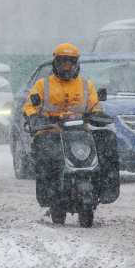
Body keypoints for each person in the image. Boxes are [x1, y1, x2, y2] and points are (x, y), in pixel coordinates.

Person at [23, 43, 120, 209]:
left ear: (77, 64)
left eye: (71, 63)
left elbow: (94, 105)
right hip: (52, 132)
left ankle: (106, 187)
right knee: (45, 151)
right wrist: (37, 117)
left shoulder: (86, 85)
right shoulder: (42, 84)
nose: (68, 67)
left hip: (80, 132)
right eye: (63, 62)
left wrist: (96, 115)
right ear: (55, 64)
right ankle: (48, 193)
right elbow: (29, 106)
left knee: (108, 139)